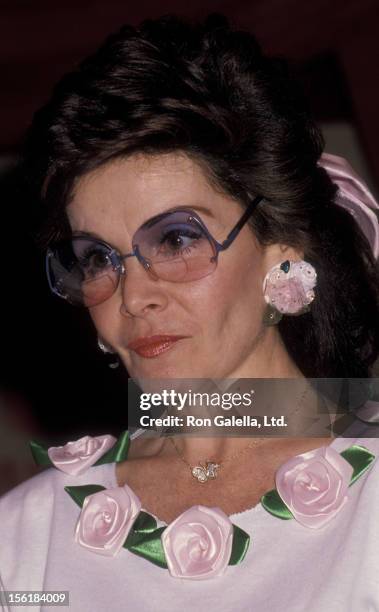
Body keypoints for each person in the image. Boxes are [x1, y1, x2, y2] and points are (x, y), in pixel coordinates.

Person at [1, 12, 379, 612]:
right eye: (98, 258)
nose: (131, 297)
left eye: (176, 241)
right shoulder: (25, 536)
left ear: (281, 260)